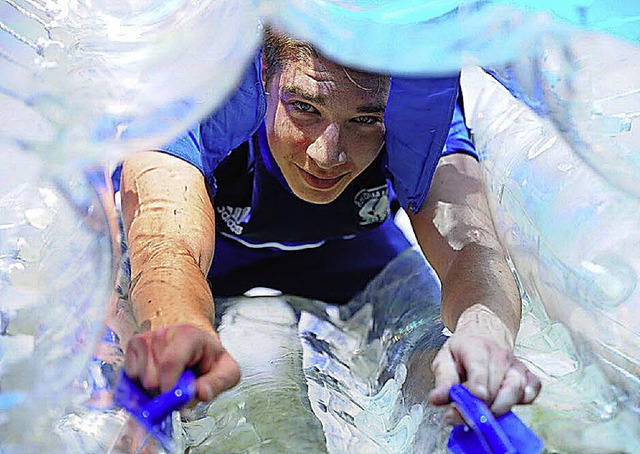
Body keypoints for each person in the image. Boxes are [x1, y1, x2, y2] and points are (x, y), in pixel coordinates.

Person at [118, 28, 541, 426]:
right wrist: (177, 321)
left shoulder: (421, 116)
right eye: (304, 107)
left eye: (365, 120)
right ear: (265, 75)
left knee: (436, 342)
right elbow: (164, 242)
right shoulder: (199, 92)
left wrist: (485, 332)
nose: (328, 155)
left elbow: (473, 247)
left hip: (356, 259)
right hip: (211, 269)